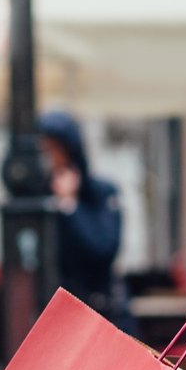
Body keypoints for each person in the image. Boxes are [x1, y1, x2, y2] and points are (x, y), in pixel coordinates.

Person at [36, 110, 134, 332]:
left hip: (101, 313)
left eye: (54, 149)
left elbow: (104, 250)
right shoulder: (40, 200)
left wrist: (70, 206)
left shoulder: (101, 192)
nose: (49, 158)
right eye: (44, 150)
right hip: (58, 320)